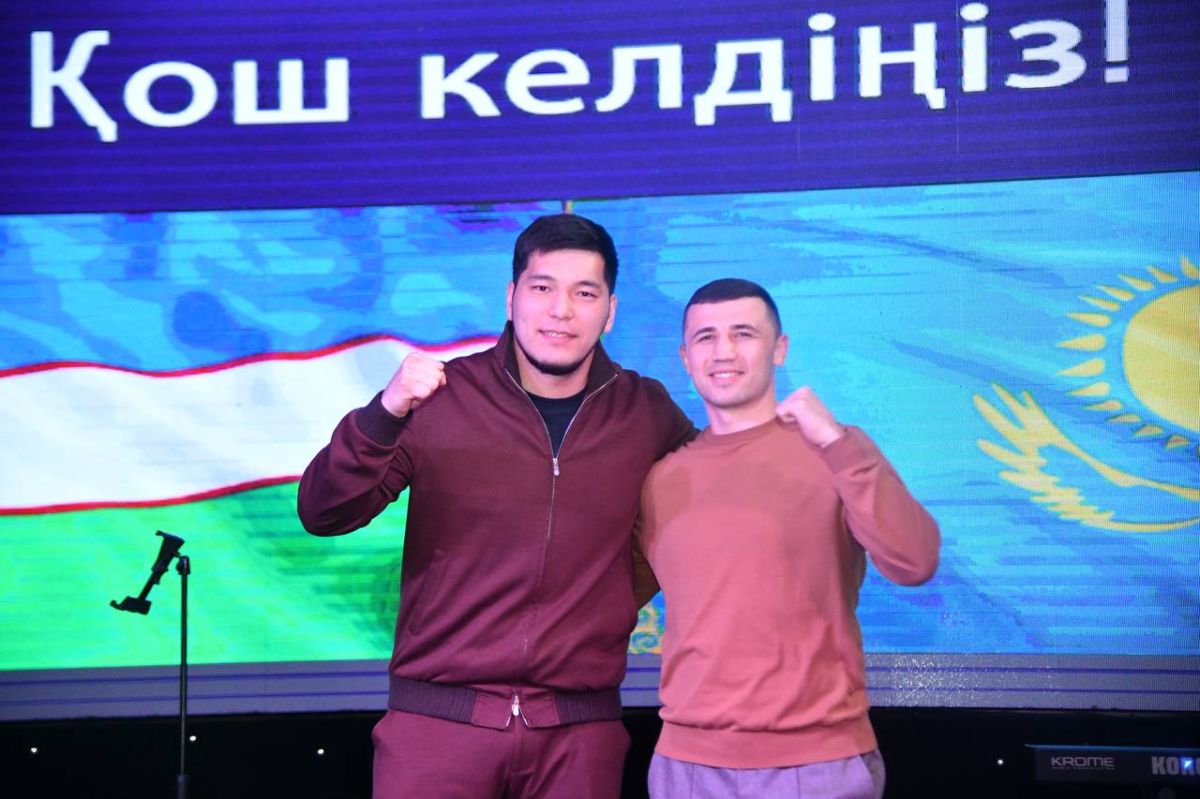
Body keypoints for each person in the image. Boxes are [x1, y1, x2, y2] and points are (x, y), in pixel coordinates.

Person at [297, 213, 695, 799]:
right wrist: (385, 411)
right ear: (511, 298)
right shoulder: (440, 397)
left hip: (579, 733)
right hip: (437, 725)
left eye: (584, 293)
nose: (561, 310)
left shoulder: (646, 410)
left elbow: (714, 508)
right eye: (542, 287)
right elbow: (324, 513)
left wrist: (610, 598)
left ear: (610, 311)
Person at [634, 278, 940, 799]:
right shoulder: (661, 480)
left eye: (743, 333)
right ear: (685, 358)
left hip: (818, 765)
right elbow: (609, 599)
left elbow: (915, 561)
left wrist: (835, 443)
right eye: (706, 337)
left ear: (779, 349)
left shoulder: (835, 449)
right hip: (687, 766)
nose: (723, 351)